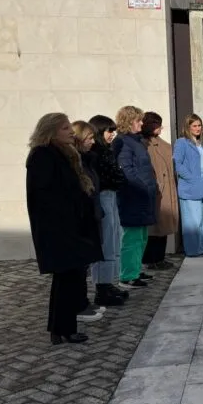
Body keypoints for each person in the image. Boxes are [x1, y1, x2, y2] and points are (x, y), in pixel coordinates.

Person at [26, 113, 103, 344]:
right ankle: (63, 329)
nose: (71, 131)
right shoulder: (43, 155)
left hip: (72, 228)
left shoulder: (65, 153)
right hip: (60, 230)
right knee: (67, 280)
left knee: (70, 279)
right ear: (50, 131)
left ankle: (61, 328)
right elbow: (45, 196)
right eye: (65, 128)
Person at [72, 120, 119, 313]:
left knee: (110, 244)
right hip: (87, 213)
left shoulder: (91, 157)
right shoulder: (80, 160)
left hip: (98, 206)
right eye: (89, 138)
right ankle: (98, 291)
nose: (92, 141)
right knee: (98, 251)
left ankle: (105, 286)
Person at [113, 106, 158, 288]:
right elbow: (127, 171)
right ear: (128, 121)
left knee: (141, 237)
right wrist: (144, 187)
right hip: (132, 196)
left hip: (142, 197)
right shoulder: (123, 142)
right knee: (132, 238)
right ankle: (127, 276)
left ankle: (135, 269)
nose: (141, 123)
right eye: (138, 120)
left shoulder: (137, 141)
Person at [88, 115, 129, 304]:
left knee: (115, 238)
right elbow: (104, 176)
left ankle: (109, 282)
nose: (113, 134)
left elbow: (117, 174)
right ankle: (102, 287)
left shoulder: (107, 150)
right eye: (109, 131)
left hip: (111, 194)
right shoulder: (95, 152)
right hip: (103, 195)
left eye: (114, 131)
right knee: (106, 241)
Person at [174, 114, 203, 257]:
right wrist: (191, 178)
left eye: (199, 125)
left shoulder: (201, 143)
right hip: (191, 185)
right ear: (188, 127)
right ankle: (193, 250)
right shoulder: (182, 142)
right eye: (194, 126)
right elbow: (178, 164)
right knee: (193, 221)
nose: (198, 128)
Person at [141, 112, 178, 273]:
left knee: (163, 227)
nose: (160, 128)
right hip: (155, 190)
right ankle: (151, 259)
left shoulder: (161, 144)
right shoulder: (144, 144)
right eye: (157, 125)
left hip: (165, 190)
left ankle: (159, 258)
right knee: (154, 228)